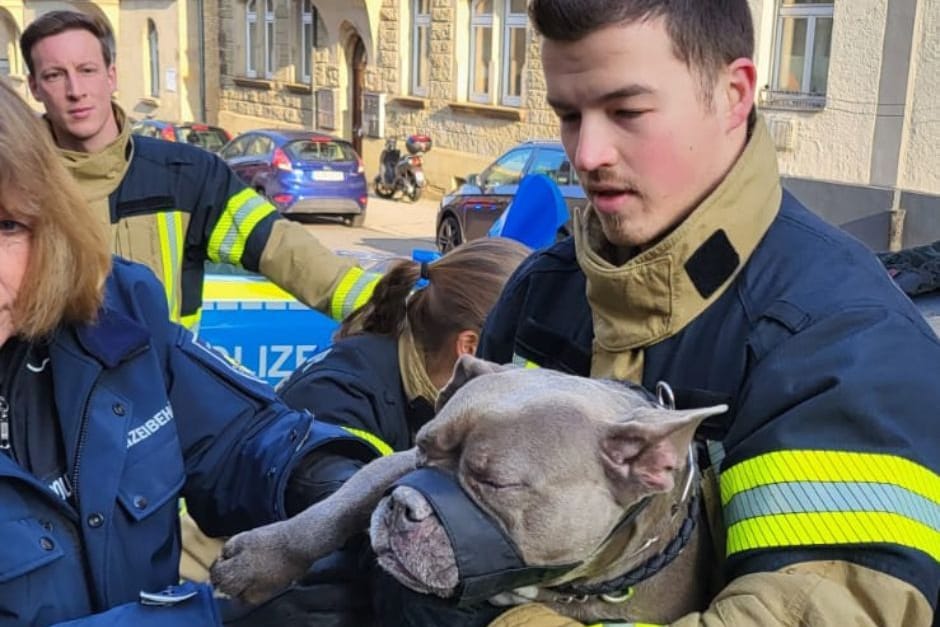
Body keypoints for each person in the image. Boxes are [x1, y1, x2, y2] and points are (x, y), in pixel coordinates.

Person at [375, 1, 940, 626]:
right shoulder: (545, 290)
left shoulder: (846, 344)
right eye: (569, 115)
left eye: (626, 111)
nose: (586, 154)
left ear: (733, 95)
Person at [0, 79, 377, 626]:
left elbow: (234, 437)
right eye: (56, 75)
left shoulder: (111, 313)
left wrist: (339, 487)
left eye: (8, 226)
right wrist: (214, 620)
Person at [208, 237, 532, 626]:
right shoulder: (338, 401)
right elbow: (374, 550)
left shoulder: (433, 390)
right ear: (469, 347)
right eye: (523, 361)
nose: (534, 381)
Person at [19, 10, 379, 331]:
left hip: (159, 396)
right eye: (55, 75)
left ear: (111, 76)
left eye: (87, 70)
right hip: (46, 402)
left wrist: (397, 308)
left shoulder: (186, 177)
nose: (75, 90)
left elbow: (288, 252)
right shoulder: (16, 188)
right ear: (34, 87)